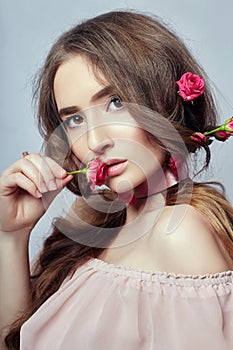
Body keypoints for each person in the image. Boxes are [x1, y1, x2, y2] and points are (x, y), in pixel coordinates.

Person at [0, 10, 232, 350]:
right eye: (75, 118)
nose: (95, 141)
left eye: (115, 102)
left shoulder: (179, 234)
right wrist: (12, 235)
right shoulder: (89, 235)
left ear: (166, 102)